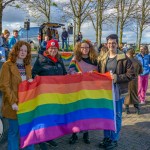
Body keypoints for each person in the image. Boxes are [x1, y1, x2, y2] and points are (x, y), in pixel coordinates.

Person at [97, 34, 134, 150]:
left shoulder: (124, 59)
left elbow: (131, 75)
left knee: (116, 116)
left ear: (117, 44)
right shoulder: (103, 58)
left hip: (117, 92)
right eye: (109, 43)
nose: (111, 45)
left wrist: (117, 77)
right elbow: (98, 73)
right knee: (106, 115)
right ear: (106, 44)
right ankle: (107, 137)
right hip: (105, 92)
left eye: (113, 43)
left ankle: (114, 140)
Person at [32, 39, 67, 149]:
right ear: (47, 49)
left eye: (55, 48)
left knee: (52, 118)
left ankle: (49, 137)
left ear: (57, 49)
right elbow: (33, 74)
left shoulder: (59, 60)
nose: (53, 50)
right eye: (51, 48)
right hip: (44, 96)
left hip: (56, 96)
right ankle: (41, 140)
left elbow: (65, 74)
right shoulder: (40, 60)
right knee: (44, 119)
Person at [0, 41, 34, 150]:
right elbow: (4, 85)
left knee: (28, 131)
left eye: (25, 50)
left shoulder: (28, 66)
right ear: (16, 50)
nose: (23, 52)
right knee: (14, 132)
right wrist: (13, 102)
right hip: (13, 104)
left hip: (26, 103)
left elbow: (28, 82)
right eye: (21, 50)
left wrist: (31, 81)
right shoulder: (7, 65)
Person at [68, 39, 98, 144]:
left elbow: (98, 72)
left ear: (90, 48)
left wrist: (93, 73)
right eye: (83, 47)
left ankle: (86, 134)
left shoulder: (94, 59)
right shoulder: (75, 59)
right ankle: (74, 134)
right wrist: (76, 73)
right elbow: (70, 70)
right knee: (76, 112)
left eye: (86, 47)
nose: (84, 49)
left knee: (86, 112)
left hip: (89, 90)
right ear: (79, 48)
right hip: (77, 89)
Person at [124, 48, 143, 114]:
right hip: (135, 80)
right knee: (135, 94)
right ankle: (137, 109)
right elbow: (141, 71)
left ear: (128, 54)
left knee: (127, 94)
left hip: (126, 80)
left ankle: (127, 109)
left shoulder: (125, 61)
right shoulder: (138, 61)